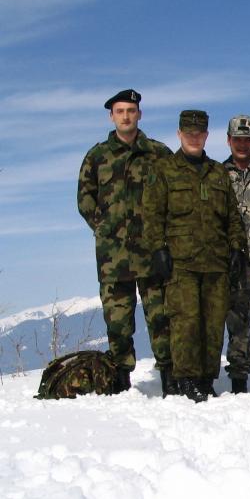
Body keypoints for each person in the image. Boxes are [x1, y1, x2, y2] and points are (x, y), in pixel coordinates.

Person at [142, 110, 247, 402]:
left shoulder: (217, 173)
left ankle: (206, 378)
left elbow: (232, 217)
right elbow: (151, 215)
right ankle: (186, 379)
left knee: (213, 324)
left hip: (215, 262)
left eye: (199, 133)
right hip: (181, 262)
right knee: (186, 322)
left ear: (206, 136)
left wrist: (237, 247)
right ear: (179, 135)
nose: (194, 138)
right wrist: (159, 249)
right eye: (189, 133)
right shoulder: (164, 170)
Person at [77, 89, 175, 396]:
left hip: (152, 252)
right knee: (118, 322)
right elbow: (84, 197)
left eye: (131, 110)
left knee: (161, 319)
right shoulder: (97, 156)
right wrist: (103, 227)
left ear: (139, 114)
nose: (126, 116)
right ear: (111, 116)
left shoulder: (158, 153)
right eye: (120, 111)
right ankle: (121, 378)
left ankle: (170, 378)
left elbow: (176, 194)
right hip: (113, 257)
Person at [222, 115, 250, 394]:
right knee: (238, 324)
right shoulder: (217, 174)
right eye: (237, 139)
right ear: (228, 140)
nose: (242, 144)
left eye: (248, 139)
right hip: (234, 261)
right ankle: (239, 379)